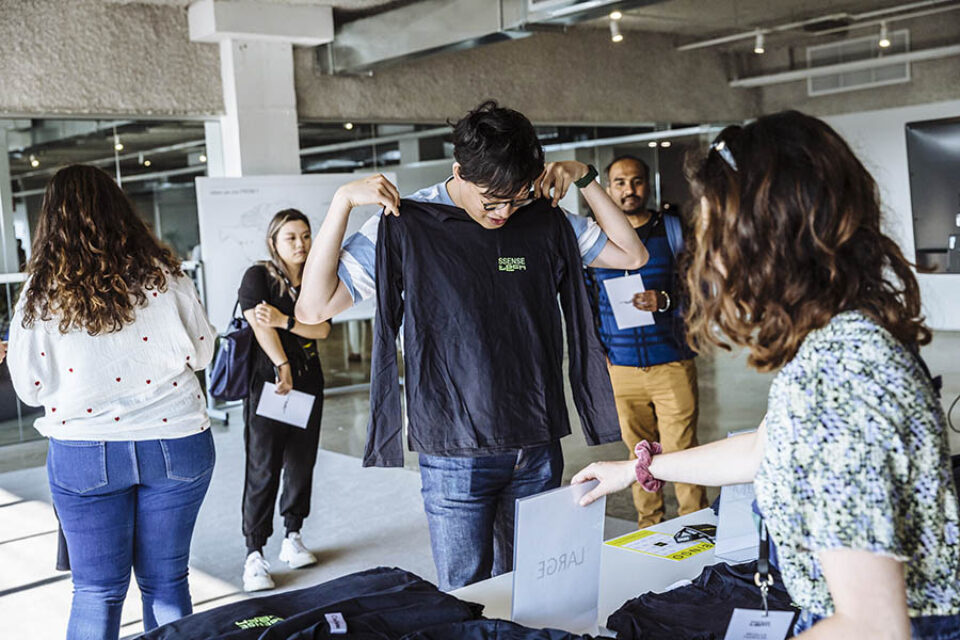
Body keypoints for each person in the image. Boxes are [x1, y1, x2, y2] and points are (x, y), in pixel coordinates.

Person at [573, 111, 960, 639]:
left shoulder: (839, 376)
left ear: (761, 238)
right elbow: (769, 447)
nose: (705, 252)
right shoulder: (843, 337)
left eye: (715, 227)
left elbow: (872, 627)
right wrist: (642, 469)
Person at [295, 100, 648, 591]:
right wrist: (340, 204)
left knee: (534, 590)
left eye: (515, 197)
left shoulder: (542, 217)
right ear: (458, 171)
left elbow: (633, 253)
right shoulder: (405, 222)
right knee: (467, 594)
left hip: (536, 442)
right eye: (491, 200)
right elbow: (313, 309)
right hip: (455, 450)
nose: (503, 212)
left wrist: (586, 178)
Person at [7, 164, 217, 640]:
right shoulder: (166, 279)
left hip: (85, 452)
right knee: (166, 583)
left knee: (97, 591)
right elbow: (202, 354)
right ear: (120, 210)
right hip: (176, 443)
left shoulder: (39, 297)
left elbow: (29, 389)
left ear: (50, 221)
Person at [584, 155, 707, 527]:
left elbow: (700, 289)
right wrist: (598, 356)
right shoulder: (594, 240)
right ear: (608, 188)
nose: (628, 190)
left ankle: (698, 529)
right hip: (620, 369)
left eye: (636, 182)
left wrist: (665, 301)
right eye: (620, 183)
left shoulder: (671, 229)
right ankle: (648, 530)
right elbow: (587, 305)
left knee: (682, 453)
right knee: (638, 458)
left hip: (671, 362)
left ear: (647, 185)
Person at [237, 209, 331, 592]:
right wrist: (282, 364)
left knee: (301, 463)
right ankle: (254, 552)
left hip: (309, 384)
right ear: (274, 242)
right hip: (269, 387)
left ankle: (293, 535)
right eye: (291, 237)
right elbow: (257, 322)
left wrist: (285, 320)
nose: (301, 244)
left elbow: (322, 328)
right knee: (263, 467)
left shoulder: (316, 279)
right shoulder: (258, 276)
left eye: (306, 235)